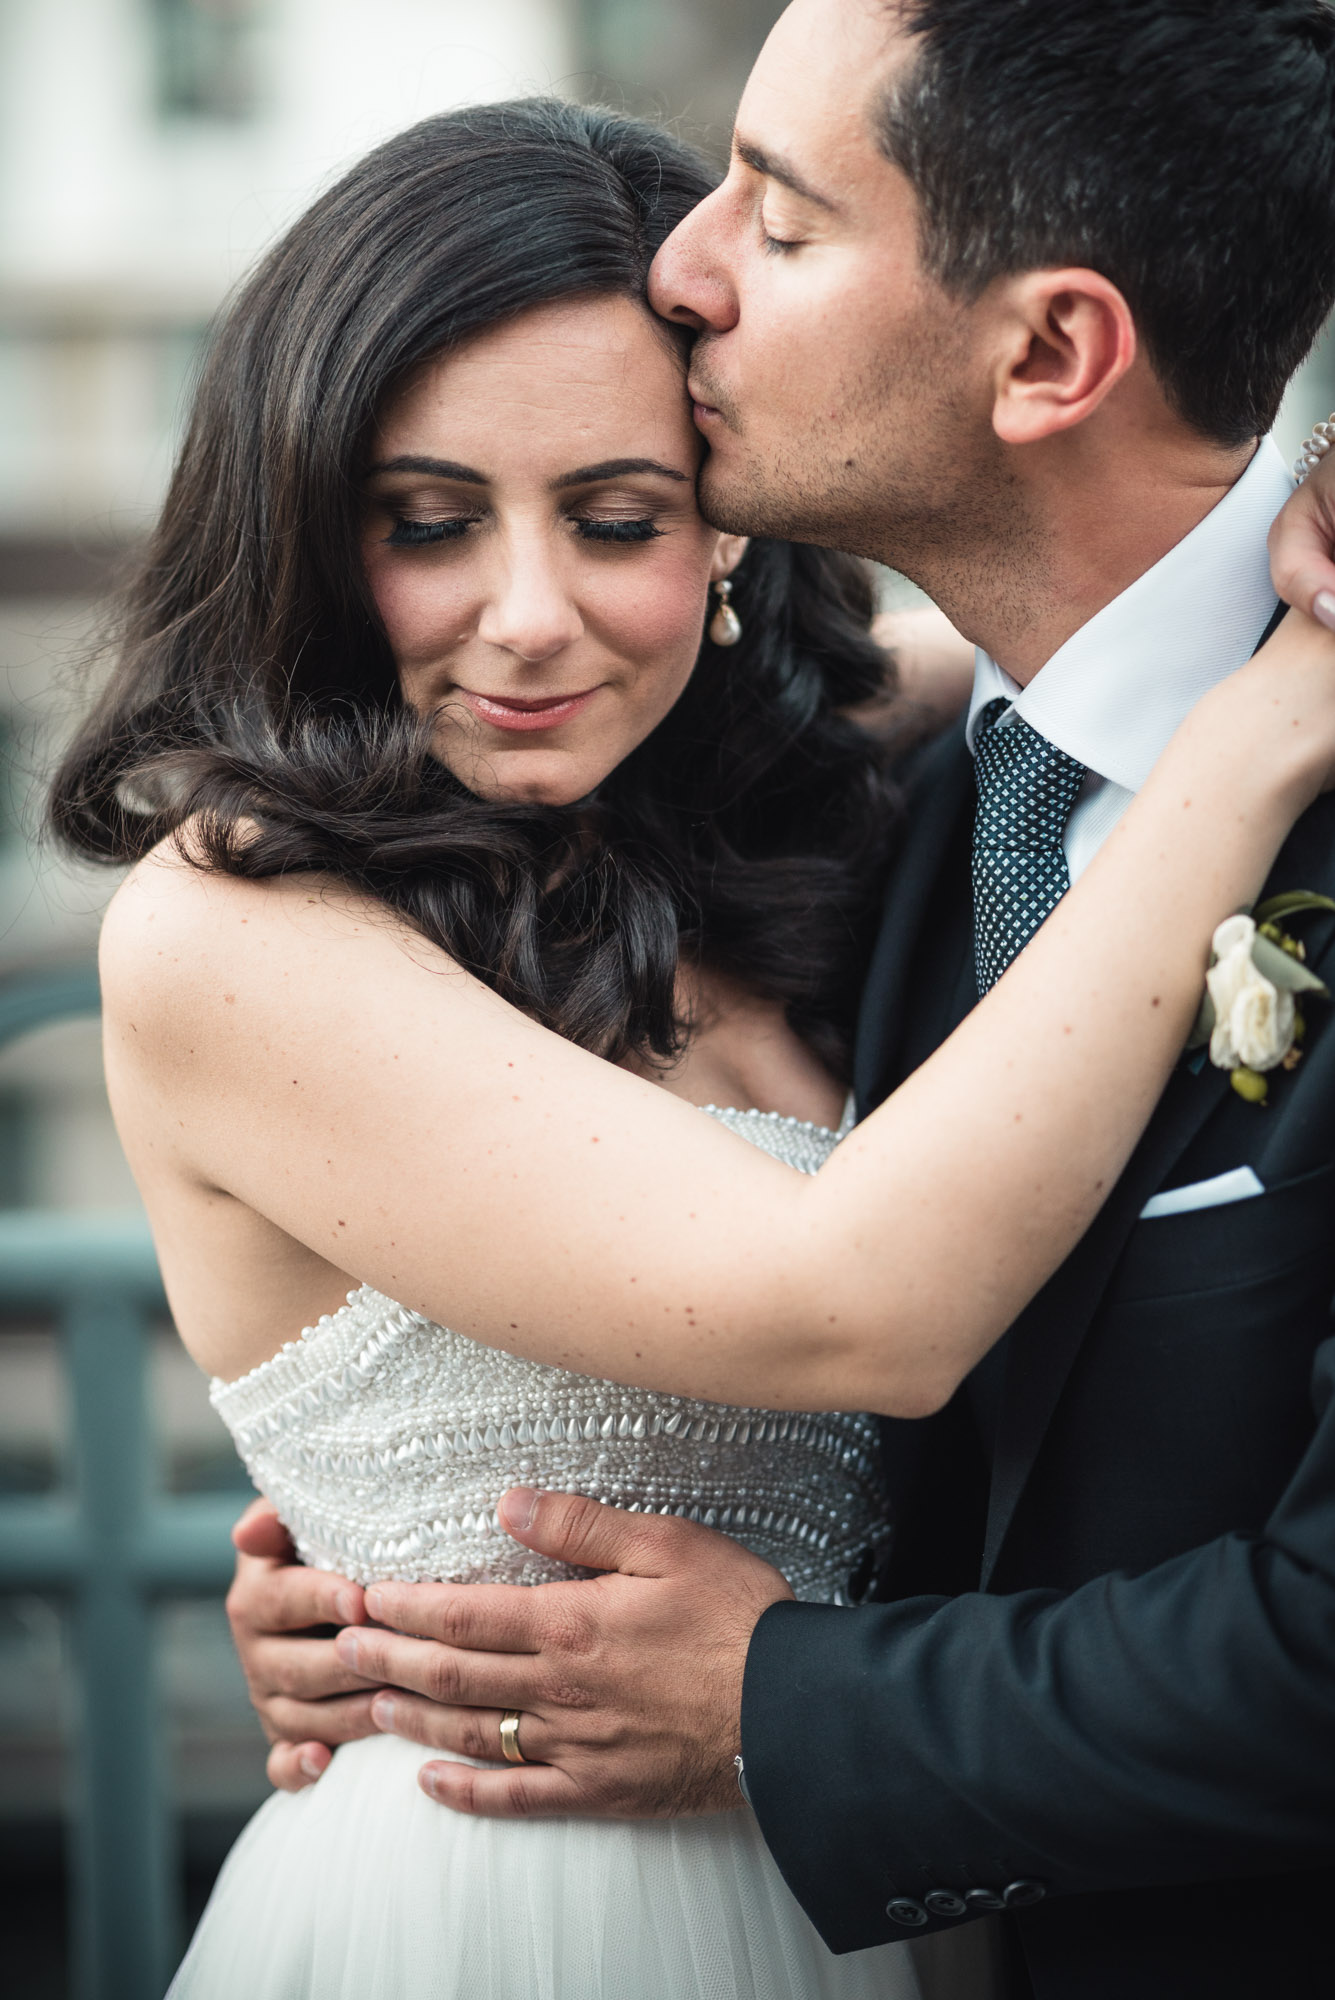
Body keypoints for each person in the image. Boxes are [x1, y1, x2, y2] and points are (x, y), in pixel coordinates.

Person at [60, 62, 1335, 2000]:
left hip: (876, 1893)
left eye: (614, 512)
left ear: (718, 526)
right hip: (495, 1904)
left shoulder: (859, 807)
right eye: (420, 521)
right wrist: (1260, 736)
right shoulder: (233, 928)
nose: (524, 617)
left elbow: (1053, 654)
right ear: (312, 519)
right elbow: (853, 1303)